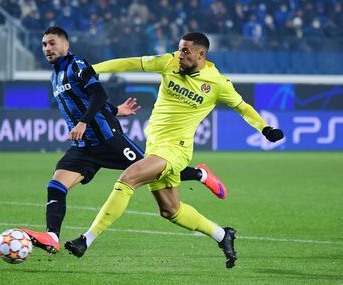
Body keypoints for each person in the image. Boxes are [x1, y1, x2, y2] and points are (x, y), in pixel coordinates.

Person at [64, 32, 284, 268]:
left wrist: (265, 128)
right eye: (179, 49)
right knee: (170, 211)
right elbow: (133, 62)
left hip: (176, 149)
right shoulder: (169, 62)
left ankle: (86, 240)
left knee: (129, 178)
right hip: (155, 147)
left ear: (202, 54)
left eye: (186, 51)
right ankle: (223, 235)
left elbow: (242, 107)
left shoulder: (217, 83)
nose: (180, 55)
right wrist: (94, 69)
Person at [22, 27, 231, 254]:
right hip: (83, 147)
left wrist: (83, 122)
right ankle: (52, 236)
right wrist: (115, 109)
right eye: (44, 45)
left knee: (150, 170)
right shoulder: (55, 74)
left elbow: (98, 95)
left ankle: (200, 174)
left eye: (52, 43)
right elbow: (87, 100)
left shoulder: (78, 66)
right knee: (56, 185)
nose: (47, 48)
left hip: (109, 140)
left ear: (66, 45)